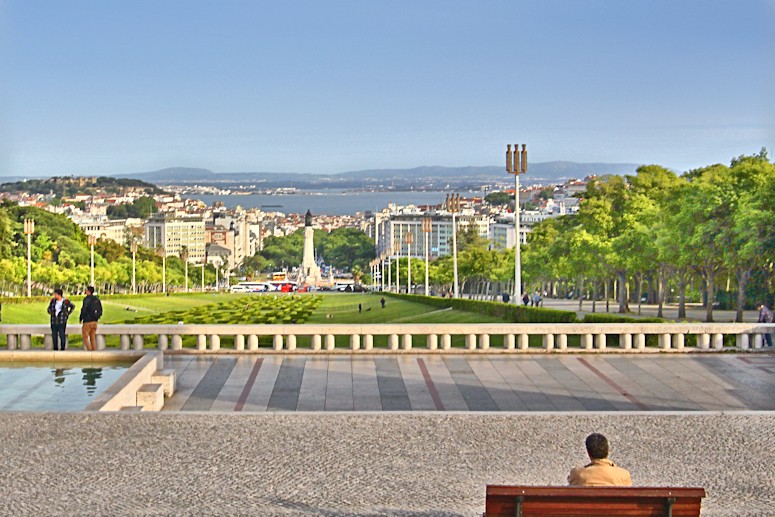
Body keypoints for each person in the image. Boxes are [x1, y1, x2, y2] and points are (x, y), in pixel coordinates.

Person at [79, 286, 103, 351]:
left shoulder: (86, 299)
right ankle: (94, 350)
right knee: (92, 337)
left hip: (87, 321)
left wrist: (81, 318)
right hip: (95, 321)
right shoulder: (97, 299)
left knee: (85, 336)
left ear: (88, 291)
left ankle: (89, 350)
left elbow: (84, 309)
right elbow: (100, 310)